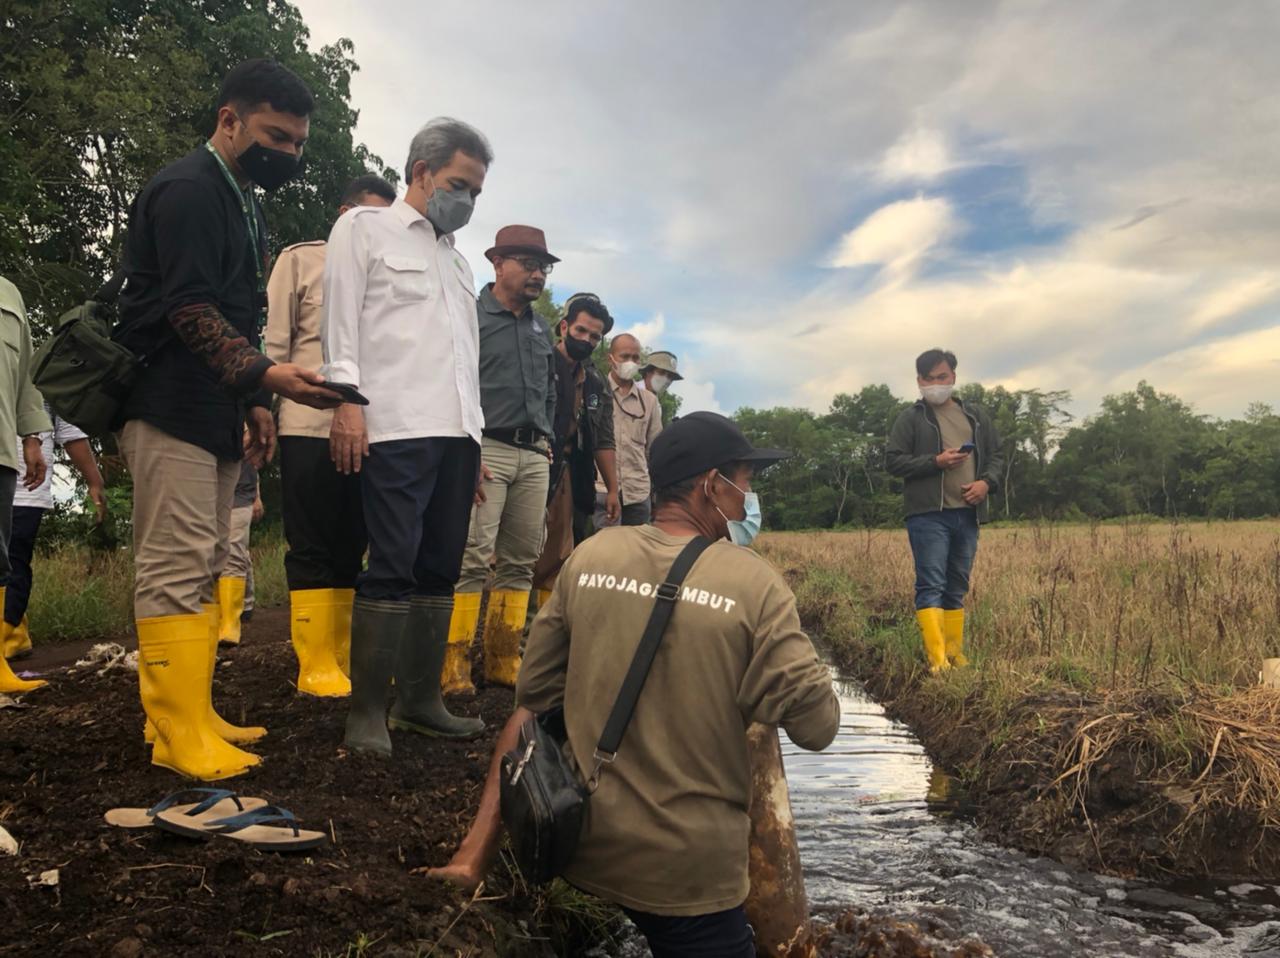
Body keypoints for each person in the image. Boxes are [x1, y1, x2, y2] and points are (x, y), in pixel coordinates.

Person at [426, 411, 840, 958]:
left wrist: (472, 857)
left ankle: (473, 857)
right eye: (745, 482)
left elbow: (531, 706)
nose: (748, 500)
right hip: (689, 878)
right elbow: (818, 728)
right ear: (710, 485)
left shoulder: (589, 556)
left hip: (588, 851)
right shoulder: (755, 584)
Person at [112, 59, 342, 780]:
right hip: (167, 402)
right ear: (229, 120)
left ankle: (192, 712)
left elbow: (239, 311)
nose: (289, 156)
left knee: (210, 560)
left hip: (213, 408)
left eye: (299, 144)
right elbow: (188, 308)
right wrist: (269, 377)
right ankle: (174, 730)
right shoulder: (187, 190)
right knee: (174, 565)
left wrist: (252, 402)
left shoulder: (242, 198)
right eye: (277, 136)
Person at [324, 117, 493, 756]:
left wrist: (473, 441)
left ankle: (420, 701)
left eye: (477, 191)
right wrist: (347, 402)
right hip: (394, 426)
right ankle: (366, 712)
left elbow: (464, 360)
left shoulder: (459, 264)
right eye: (459, 184)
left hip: (457, 435)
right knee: (391, 562)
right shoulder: (365, 229)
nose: (468, 201)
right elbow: (340, 324)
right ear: (421, 173)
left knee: (440, 567)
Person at [265, 173, 396, 696]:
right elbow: (275, 345)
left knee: (354, 541)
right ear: (344, 213)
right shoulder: (301, 260)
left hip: (373, 431)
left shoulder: (389, 277)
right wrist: (261, 411)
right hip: (308, 425)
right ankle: (314, 660)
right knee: (313, 540)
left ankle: (340, 654)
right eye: (367, 217)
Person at [445, 226, 559, 694]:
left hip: (534, 452)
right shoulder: (470, 317)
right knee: (472, 556)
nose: (537, 275)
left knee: (520, 561)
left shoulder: (540, 327)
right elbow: (453, 384)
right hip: (485, 447)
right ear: (498, 264)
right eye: (528, 264)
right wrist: (465, 449)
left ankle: (502, 659)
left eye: (543, 267)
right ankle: (452, 666)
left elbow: (549, 389)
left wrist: (548, 436)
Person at [886, 348, 1003, 672]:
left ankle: (955, 653)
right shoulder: (911, 418)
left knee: (957, 584)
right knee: (931, 583)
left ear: (953, 377)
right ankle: (936, 659)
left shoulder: (975, 417)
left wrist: (986, 484)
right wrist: (934, 462)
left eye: (941, 377)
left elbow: (997, 456)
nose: (935, 384)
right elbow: (893, 461)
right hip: (928, 514)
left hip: (967, 513)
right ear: (919, 381)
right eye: (928, 378)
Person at [530, 293, 619, 606]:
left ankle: (537, 633)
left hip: (569, 470)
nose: (587, 339)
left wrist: (611, 489)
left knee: (557, 556)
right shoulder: (538, 361)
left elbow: (603, 439)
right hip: (530, 460)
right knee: (512, 552)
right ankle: (495, 639)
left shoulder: (595, 382)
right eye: (581, 331)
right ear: (564, 326)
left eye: (595, 336)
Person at [2, 403, 107, 659]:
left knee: (13, 560)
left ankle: (10, 635)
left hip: (25, 487)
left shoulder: (43, 370)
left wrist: (94, 480)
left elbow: (70, 432)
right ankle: (15, 633)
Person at [0, 277, 51, 694]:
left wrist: (32, 437)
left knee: (1, 560)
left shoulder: (9, 294)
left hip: (1, 452)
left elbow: (24, 381)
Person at [593, 332, 662, 530]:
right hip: (602, 489)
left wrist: (654, 493)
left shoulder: (649, 401)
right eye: (625, 357)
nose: (631, 362)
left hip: (638, 493)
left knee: (638, 554)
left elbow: (654, 450)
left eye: (635, 357)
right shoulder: (595, 392)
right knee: (607, 553)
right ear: (611, 359)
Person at [214, 457, 259, 646]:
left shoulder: (249, 427)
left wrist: (257, 496)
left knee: (233, 550)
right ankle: (245, 604)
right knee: (218, 551)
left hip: (241, 493)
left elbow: (255, 460)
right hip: (210, 488)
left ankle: (230, 623)